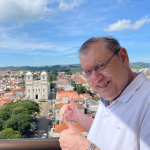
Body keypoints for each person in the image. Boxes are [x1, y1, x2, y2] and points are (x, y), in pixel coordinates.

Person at [59, 36, 150, 150]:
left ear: (123, 58)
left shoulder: (146, 102)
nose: (95, 78)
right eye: (87, 71)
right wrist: (77, 116)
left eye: (101, 65)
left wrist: (84, 148)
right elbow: (105, 132)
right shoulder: (111, 93)